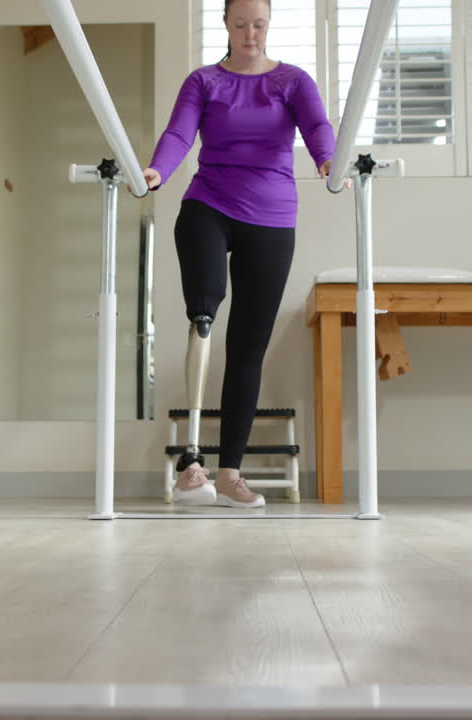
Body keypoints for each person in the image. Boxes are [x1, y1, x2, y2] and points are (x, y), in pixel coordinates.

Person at [142, 0, 340, 509]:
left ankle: (230, 473)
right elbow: (180, 132)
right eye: (240, 24)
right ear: (226, 25)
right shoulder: (205, 81)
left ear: (268, 25)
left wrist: (328, 159)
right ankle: (191, 465)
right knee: (204, 313)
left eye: (259, 24)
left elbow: (317, 126)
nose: (250, 33)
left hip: (272, 218)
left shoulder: (293, 81)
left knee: (248, 347)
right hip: (208, 205)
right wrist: (158, 169)